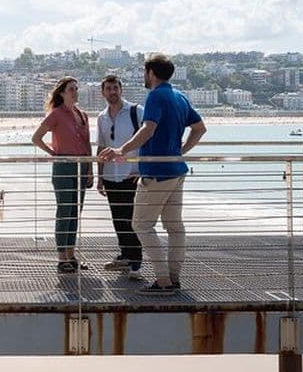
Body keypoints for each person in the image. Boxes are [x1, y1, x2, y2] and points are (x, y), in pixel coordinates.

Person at [100, 53, 206, 295]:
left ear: (151, 73)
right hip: (176, 170)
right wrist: (180, 151)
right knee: (175, 227)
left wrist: (121, 150)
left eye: (144, 72)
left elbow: (148, 128)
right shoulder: (179, 96)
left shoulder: (156, 96)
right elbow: (200, 129)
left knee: (141, 224)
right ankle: (174, 279)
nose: (143, 77)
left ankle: (163, 281)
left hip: (157, 172)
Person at [32, 76, 93, 274]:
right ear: (62, 93)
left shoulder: (82, 115)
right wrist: (54, 153)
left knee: (76, 212)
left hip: (81, 167)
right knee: (64, 211)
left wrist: (90, 170)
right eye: (71, 89)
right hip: (64, 167)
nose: (75, 92)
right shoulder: (56, 114)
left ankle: (71, 255)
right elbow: (37, 138)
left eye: (76, 88)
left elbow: (87, 144)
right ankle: (61, 258)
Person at [96, 75, 144, 280]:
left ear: (121, 90)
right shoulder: (101, 117)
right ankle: (125, 255)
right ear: (103, 92)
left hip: (131, 175)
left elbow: (149, 138)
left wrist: (142, 168)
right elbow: (100, 147)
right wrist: (99, 176)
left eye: (115, 88)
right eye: (108, 88)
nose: (112, 91)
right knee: (118, 218)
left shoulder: (136, 111)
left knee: (132, 219)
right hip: (110, 175)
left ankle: (136, 262)